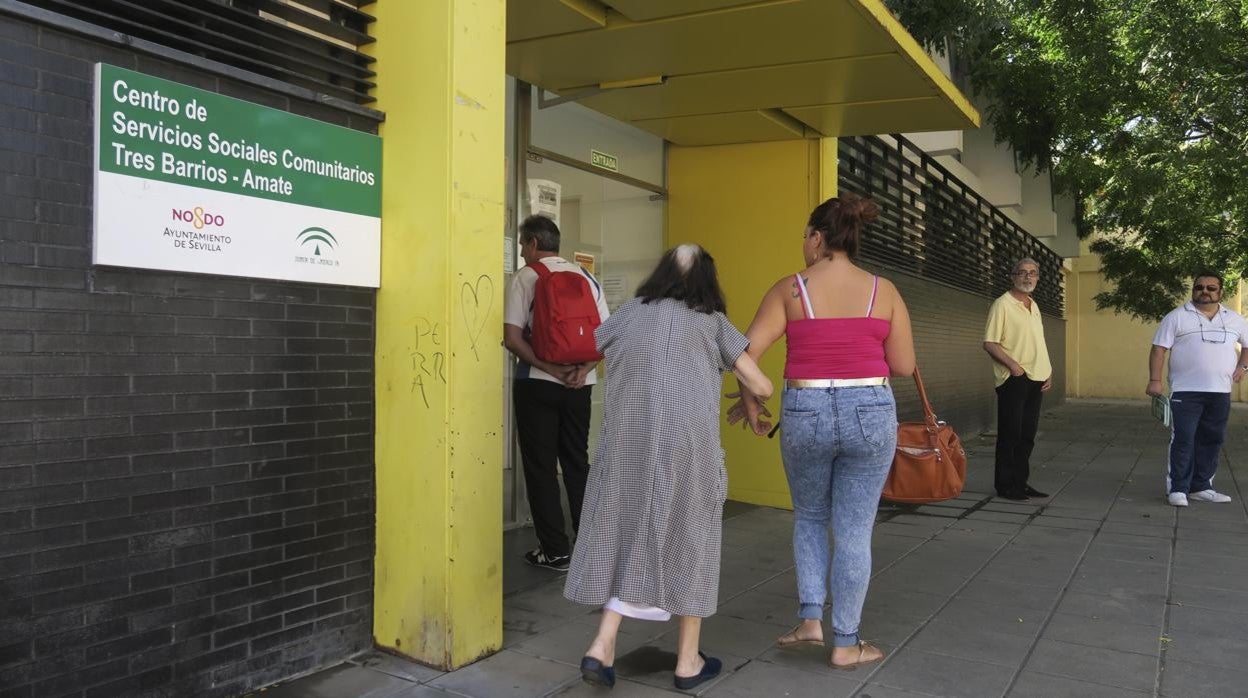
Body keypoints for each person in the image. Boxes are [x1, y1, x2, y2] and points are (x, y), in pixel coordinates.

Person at [565, 244, 772, 691]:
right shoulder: (711, 323)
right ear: (706, 282)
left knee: (628, 536)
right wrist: (738, 378)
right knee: (692, 540)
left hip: (626, 449)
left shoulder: (629, 314)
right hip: (686, 452)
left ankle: (602, 646)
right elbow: (762, 384)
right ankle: (686, 662)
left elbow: (593, 348)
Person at [729, 193, 915, 671]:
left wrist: (751, 400)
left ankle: (811, 619)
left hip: (806, 407)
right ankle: (846, 642)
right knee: (854, 531)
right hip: (870, 409)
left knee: (810, 515)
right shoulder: (884, 290)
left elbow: (743, 353)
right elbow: (903, 364)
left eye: (805, 238)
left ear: (816, 238)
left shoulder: (790, 290)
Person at [503, 215, 609, 571]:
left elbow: (512, 338)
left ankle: (555, 551)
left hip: (537, 384)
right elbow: (608, 336)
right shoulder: (587, 277)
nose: (521, 251)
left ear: (533, 243)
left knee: (541, 468)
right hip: (580, 387)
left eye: (522, 244)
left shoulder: (527, 277)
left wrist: (548, 368)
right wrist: (583, 371)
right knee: (577, 462)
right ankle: (589, 545)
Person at [1145, 272, 1248, 506]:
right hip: (1185, 391)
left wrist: (1243, 366)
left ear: (1220, 292)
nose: (1205, 291)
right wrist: (1155, 380)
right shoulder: (1176, 317)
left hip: (1220, 391)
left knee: (1213, 439)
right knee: (1183, 438)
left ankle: (1201, 487)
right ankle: (1178, 489)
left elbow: (1247, 345)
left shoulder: (1234, 319)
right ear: (1193, 290)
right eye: (1199, 287)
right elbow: (1158, 349)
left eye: (1211, 288)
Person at [982, 258, 1053, 501]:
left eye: (1032, 273)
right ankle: (1005, 485)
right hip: (1014, 378)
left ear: (1038, 277)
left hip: (1037, 377)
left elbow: (1037, 342)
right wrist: (1012, 365)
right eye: (1022, 273)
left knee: (1027, 435)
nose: (1027, 277)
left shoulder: (1033, 305)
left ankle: (1021, 482)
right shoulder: (1002, 305)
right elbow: (990, 343)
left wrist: (1048, 370)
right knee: (1010, 434)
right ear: (1013, 276)